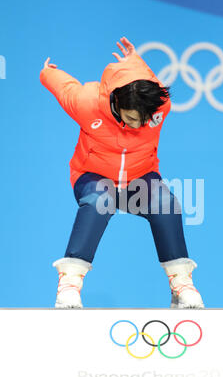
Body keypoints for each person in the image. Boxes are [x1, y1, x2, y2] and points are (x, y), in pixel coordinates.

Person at [40, 36, 204, 309]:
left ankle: (181, 284)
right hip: (93, 176)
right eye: (130, 118)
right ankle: (69, 282)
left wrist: (137, 64)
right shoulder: (87, 103)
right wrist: (48, 72)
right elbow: (63, 88)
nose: (137, 125)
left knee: (166, 205)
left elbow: (151, 84)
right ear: (115, 101)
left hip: (139, 179)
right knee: (100, 200)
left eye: (142, 120)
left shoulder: (159, 108)